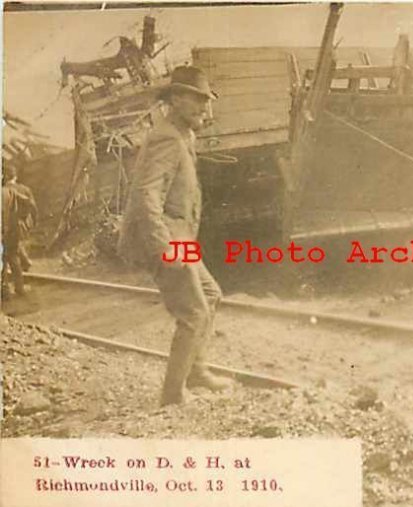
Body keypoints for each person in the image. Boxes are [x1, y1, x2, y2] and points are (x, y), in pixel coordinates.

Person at [117, 65, 232, 405]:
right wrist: (164, 247)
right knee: (194, 311)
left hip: (181, 235)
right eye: (197, 100)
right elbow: (146, 196)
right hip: (167, 236)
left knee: (210, 295)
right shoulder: (166, 136)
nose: (204, 108)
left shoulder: (184, 134)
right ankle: (172, 395)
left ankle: (196, 372)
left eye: (205, 101)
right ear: (176, 99)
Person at [2, 164, 37, 298]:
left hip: (3, 229)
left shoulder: (4, 190)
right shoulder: (21, 190)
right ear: (15, 176)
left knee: (4, 260)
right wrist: (29, 220)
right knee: (13, 256)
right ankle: (19, 287)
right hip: (15, 227)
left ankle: (4, 291)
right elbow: (31, 205)